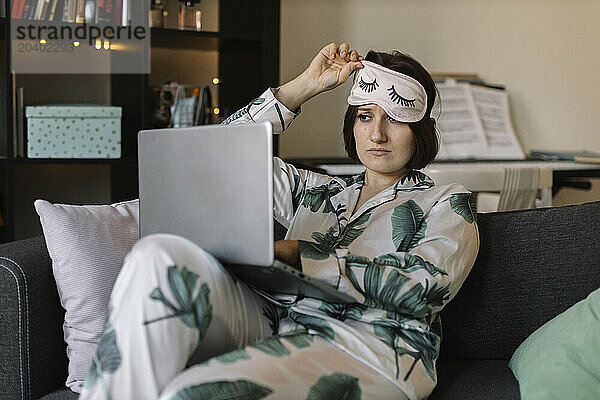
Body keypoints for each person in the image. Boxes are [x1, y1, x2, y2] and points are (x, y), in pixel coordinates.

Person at [80, 42, 479, 400]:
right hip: (275, 321)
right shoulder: (314, 190)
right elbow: (220, 152)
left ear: (419, 130)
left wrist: (299, 256)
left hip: (374, 350)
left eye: (394, 118)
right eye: (364, 116)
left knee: (188, 393)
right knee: (157, 254)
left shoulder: (447, 201)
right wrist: (301, 87)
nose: (376, 134)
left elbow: (425, 288)